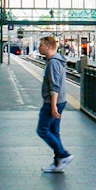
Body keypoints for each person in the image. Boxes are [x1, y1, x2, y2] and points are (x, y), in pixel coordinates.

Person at [37, 35, 74, 173]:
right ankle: (58, 163)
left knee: (42, 130)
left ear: (47, 46)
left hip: (53, 103)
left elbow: (54, 86)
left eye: (41, 45)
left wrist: (53, 107)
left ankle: (64, 155)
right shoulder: (57, 61)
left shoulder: (53, 63)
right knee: (54, 131)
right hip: (60, 101)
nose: (39, 47)